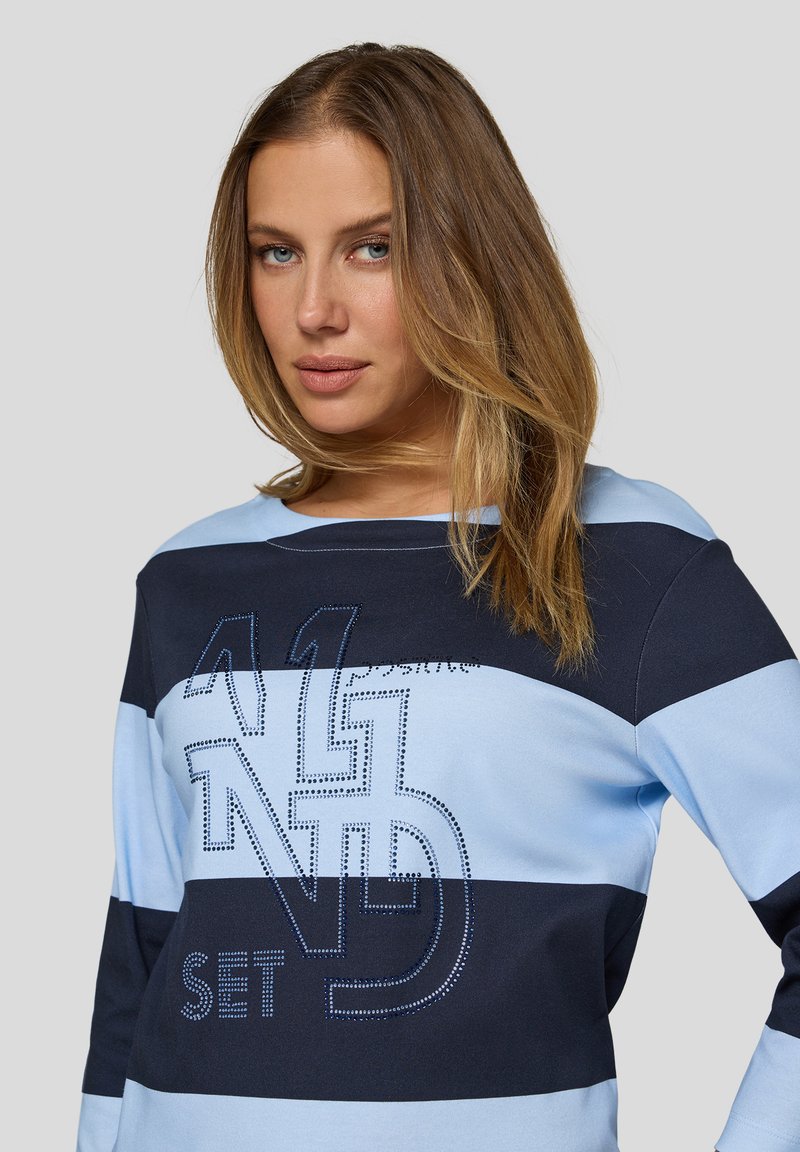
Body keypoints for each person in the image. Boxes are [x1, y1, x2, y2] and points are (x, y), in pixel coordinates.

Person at [75, 42, 799, 1152]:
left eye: (372, 247)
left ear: (473, 253)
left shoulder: (631, 560)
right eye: (276, 253)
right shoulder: (188, 577)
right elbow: (140, 952)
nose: (314, 309)